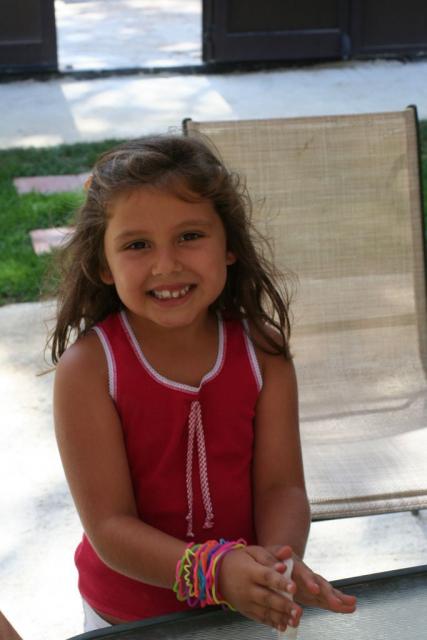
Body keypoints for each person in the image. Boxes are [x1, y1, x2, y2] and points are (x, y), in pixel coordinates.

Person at [51, 135, 356, 633]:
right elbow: (109, 526)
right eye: (137, 245)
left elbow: (281, 487)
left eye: (189, 236)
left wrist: (279, 564)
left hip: (246, 608)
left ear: (229, 246)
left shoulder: (264, 352)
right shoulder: (89, 369)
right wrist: (216, 574)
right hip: (127, 618)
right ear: (104, 264)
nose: (166, 264)